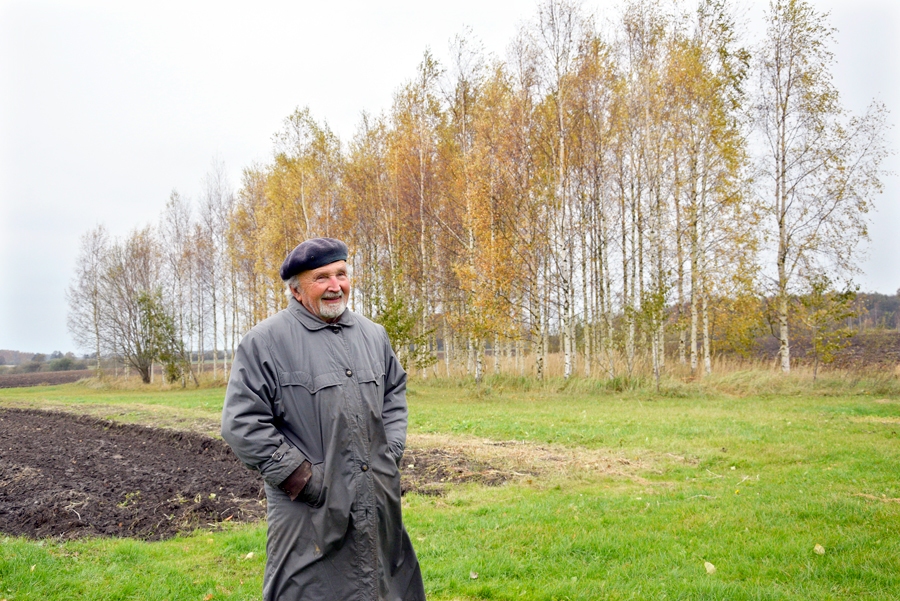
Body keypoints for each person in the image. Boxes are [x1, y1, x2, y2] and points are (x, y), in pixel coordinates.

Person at [221, 237, 425, 601]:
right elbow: (242, 422)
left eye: (341, 274)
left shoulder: (373, 336)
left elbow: (394, 393)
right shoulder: (265, 342)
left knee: (383, 586)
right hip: (308, 516)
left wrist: (389, 452)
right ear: (297, 289)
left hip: (376, 499)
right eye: (322, 278)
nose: (336, 286)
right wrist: (306, 480)